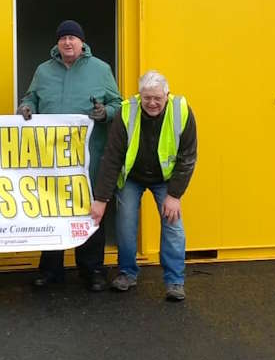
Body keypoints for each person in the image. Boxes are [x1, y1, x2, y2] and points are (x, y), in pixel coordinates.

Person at [18, 20, 122, 291]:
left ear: (82, 43)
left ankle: (93, 271)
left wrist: (105, 113)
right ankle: (51, 270)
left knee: (91, 212)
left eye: (72, 38)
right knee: (51, 212)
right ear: (57, 43)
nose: (67, 43)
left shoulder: (100, 70)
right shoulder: (43, 71)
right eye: (63, 38)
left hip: (88, 157)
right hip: (51, 160)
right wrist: (26, 107)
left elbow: (117, 104)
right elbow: (31, 98)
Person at [90, 70, 197, 302]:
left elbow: (187, 156)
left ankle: (175, 281)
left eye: (157, 98)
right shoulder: (127, 110)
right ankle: (127, 273)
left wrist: (175, 195)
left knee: (173, 225)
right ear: (140, 95)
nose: (151, 103)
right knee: (126, 223)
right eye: (146, 97)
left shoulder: (182, 111)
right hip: (132, 177)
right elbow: (112, 156)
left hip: (166, 179)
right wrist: (101, 199)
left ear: (167, 95)